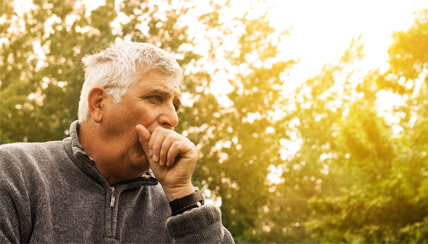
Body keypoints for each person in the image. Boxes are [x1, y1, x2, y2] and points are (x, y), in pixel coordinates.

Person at [0, 41, 234, 243]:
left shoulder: (176, 205)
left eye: (175, 105)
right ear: (99, 104)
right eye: (155, 98)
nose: (173, 118)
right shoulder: (15, 172)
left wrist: (183, 198)